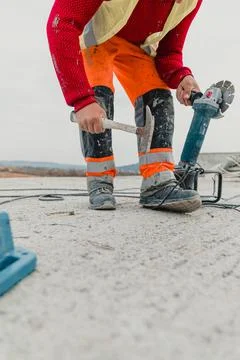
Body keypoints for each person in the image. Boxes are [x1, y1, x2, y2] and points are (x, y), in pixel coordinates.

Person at [47, 0, 203, 212]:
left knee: (158, 98)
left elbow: (169, 53)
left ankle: (157, 182)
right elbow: (61, 23)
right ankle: (99, 181)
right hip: (97, 40)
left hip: (136, 49)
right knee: (97, 98)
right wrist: (81, 100)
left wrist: (181, 75)